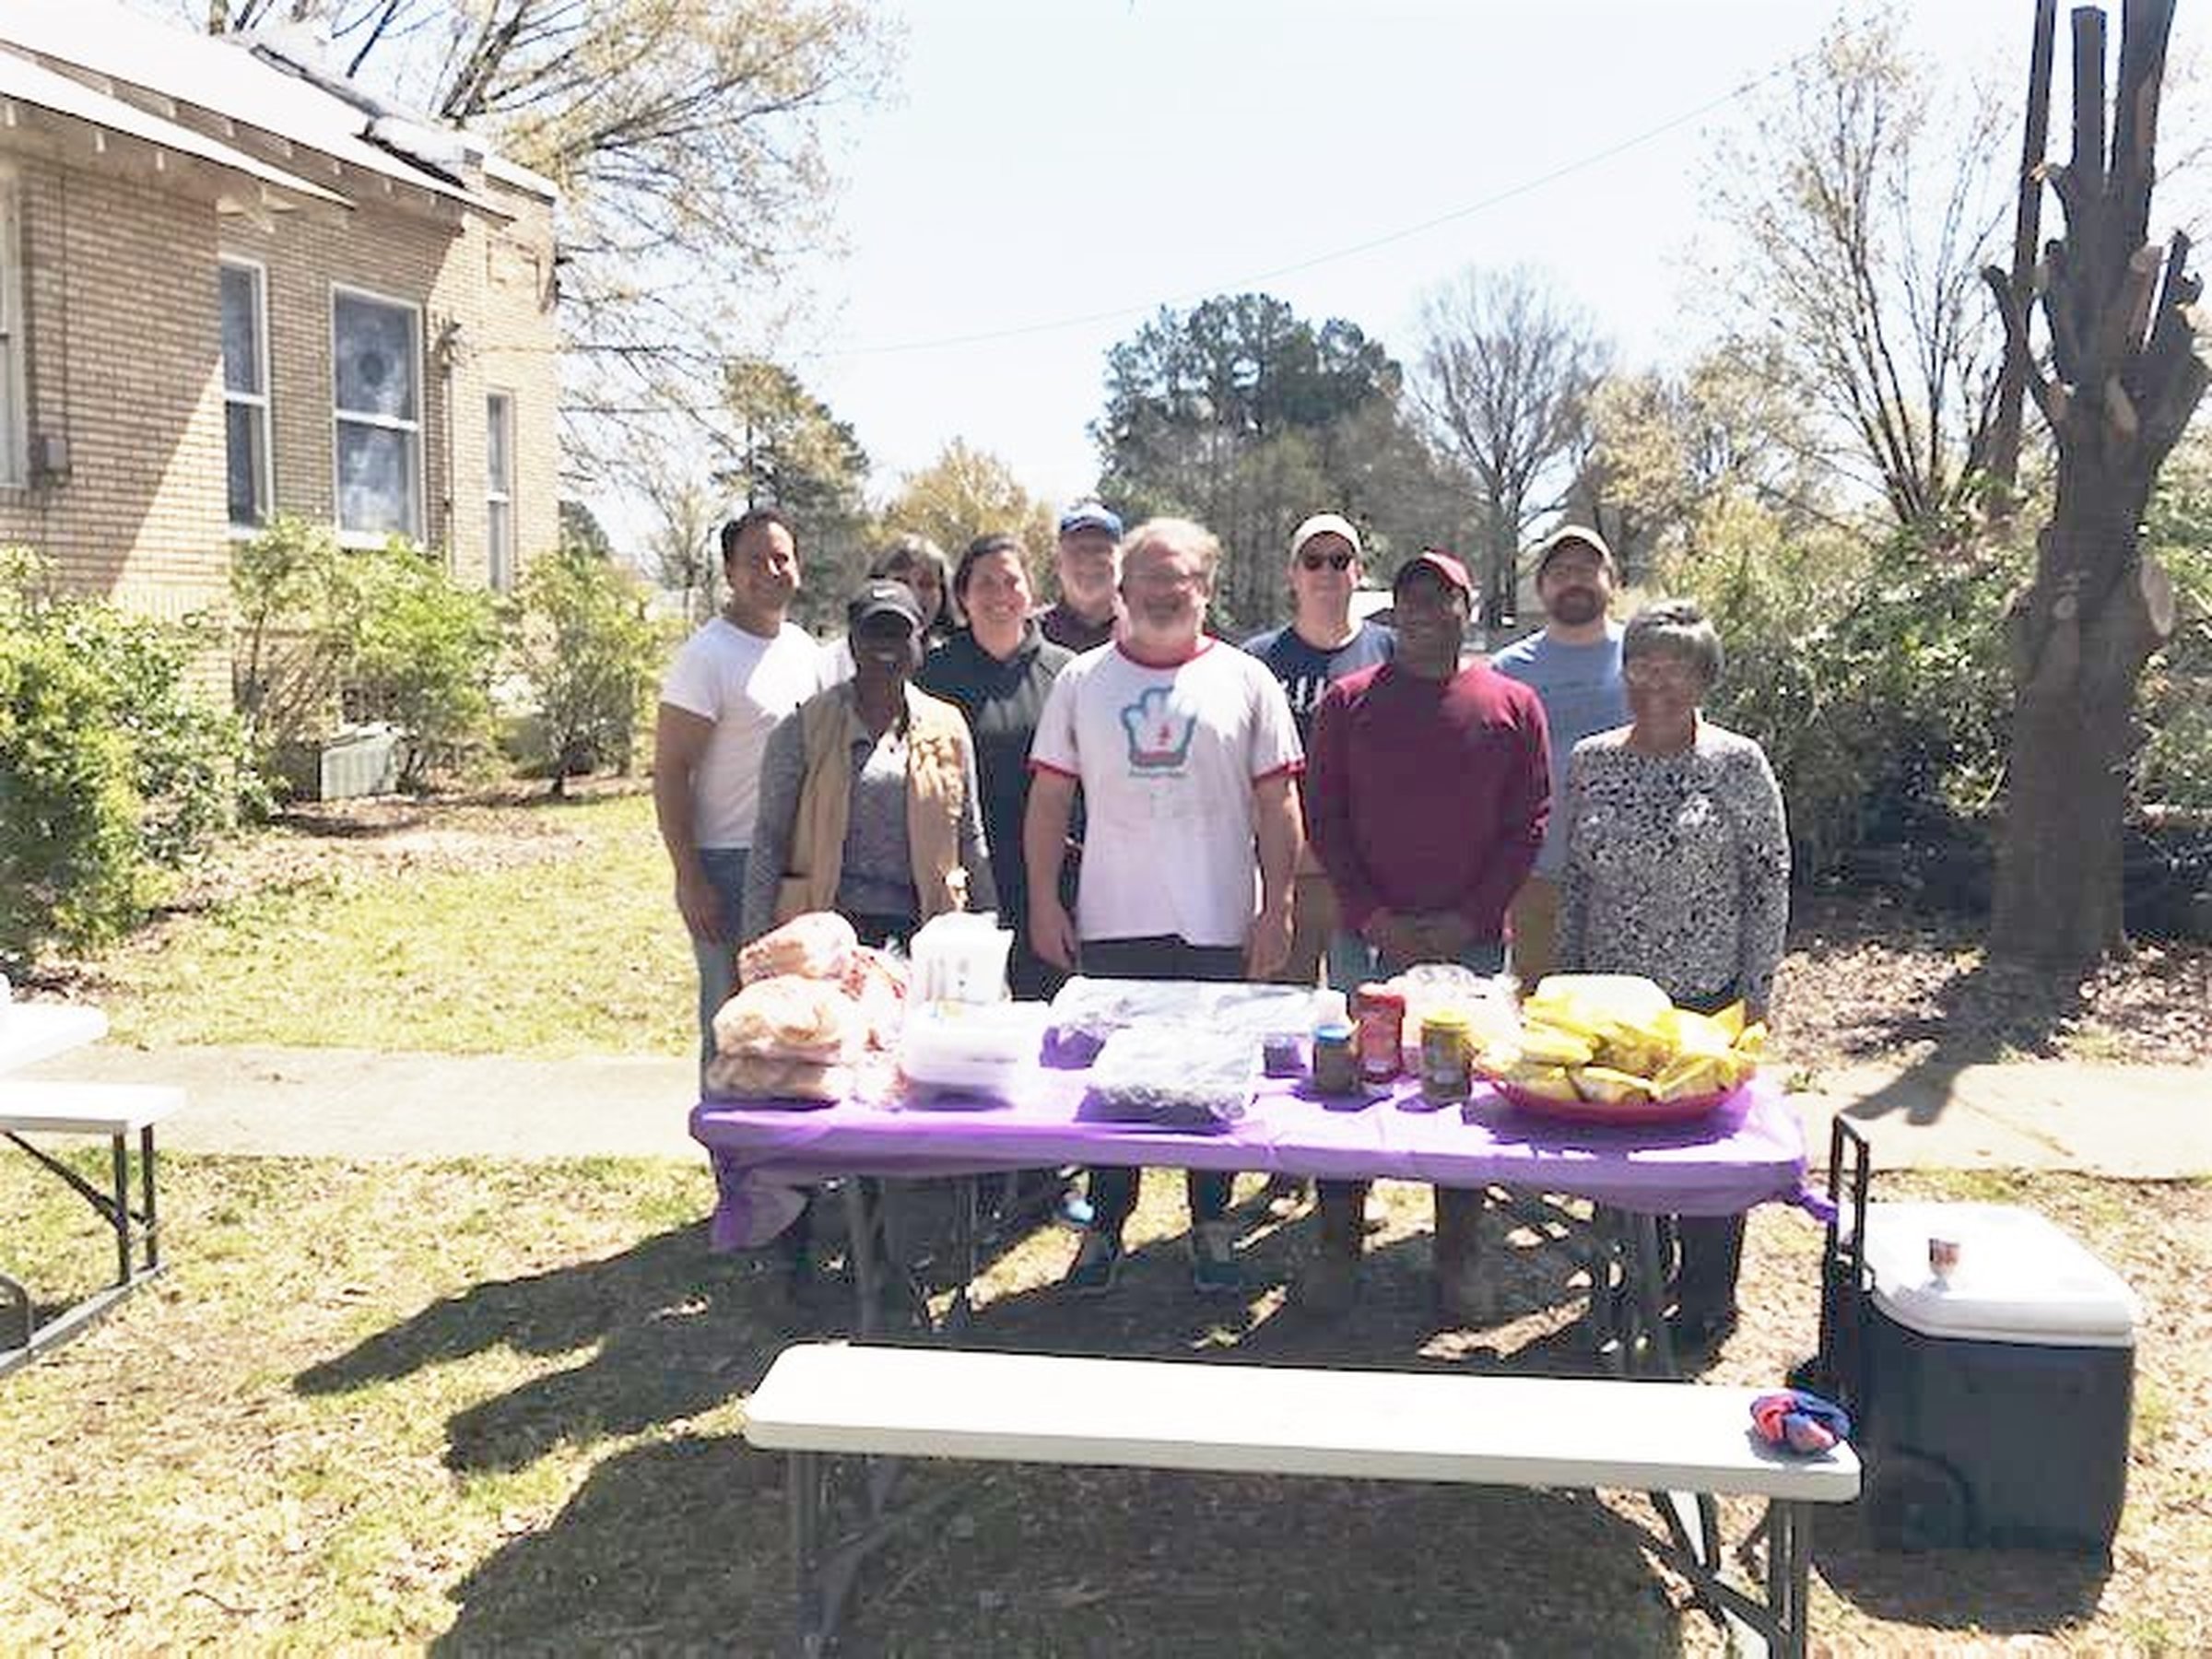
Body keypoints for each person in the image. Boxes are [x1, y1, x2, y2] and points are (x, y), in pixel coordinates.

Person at [1024, 516, 1303, 1296]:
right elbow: (1050, 802)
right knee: (1113, 1082)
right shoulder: (1083, 682)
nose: (1159, 591)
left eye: (1176, 577)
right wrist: (1045, 901)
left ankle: (1210, 1226)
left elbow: (1279, 804)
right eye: (1144, 576)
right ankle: (1104, 1229)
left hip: (1218, 915)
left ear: (1206, 587)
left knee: (1213, 1081)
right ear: (1121, 586)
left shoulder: (1247, 681)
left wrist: (1277, 903)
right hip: (1116, 917)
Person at [1302, 549, 1551, 1318]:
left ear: (1464, 610)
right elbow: (1326, 817)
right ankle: (1338, 1245)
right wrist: (1375, 917)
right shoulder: (1347, 703)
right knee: (1345, 1088)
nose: (1421, 611)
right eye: (1409, 599)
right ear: (1392, 613)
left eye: (1439, 599)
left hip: (1469, 945)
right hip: (1366, 940)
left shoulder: (1511, 703)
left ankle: (1458, 1254)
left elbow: (1528, 822)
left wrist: (1469, 919)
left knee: (1462, 1097)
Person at [1556, 598, 1789, 1355]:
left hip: (1706, 1000)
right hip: (1611, 1005)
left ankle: (1706, 1299)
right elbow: (1578, 885)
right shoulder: (1593, 761)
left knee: (1703, 1167)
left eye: (1677, 669)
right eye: (1643, 665)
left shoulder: (1736, 763)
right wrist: (1562, 990)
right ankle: (1635, 1278)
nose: (1656, 682)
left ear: (1704, 679)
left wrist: (1756, 993)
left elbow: (1768, 879)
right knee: (1622, 1165)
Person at [1240, 511, 1394, 1214]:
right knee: (1288, 1020)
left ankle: (1358, 1156)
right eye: (1315, 561)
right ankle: (1286, 1160)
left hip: (1368, 874)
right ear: (1292, 576)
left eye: (1342, 561)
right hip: (1288, 873)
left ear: (1358, 574)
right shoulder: (1259, 660)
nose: (1329, 574)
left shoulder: (1391, 650)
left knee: (1370, 1022)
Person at [741, 580, 995, 950]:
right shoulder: (804, 728)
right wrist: (756, 946)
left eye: (898, 633)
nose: (886, 645)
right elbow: (769, 841)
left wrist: (988, 931)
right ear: (851, 643)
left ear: (919, 641)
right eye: (873, 632)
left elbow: (970, 838)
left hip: (925, 931)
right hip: (825, 933)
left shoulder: (949, 726)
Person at [653, 507, 824, 1060]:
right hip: (724, 863)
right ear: (729, 572)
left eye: (782, 557)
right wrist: (690, 876)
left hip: (792, 863)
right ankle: (725, 1145)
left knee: (788, 1015)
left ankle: (778, 1144)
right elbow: (672, 771)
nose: (770, 570)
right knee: (730, 1019)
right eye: (754, 560)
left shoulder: (803, 649)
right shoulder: (707, 657)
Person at [917, 534, 1076, 997]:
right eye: (985, 583)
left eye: (1012, 581)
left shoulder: (1068, 674)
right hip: (960, 876)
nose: (1000, 595)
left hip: (1049, 880)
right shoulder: (932, 674)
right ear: (963, 596)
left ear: (1031, 593)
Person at [1491, 525, 1629, 987]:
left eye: (1588, 569)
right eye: (1562, 571)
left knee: (1628, 1026)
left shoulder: (1646, 657)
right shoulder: (1507, 672)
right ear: (1542, 586)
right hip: (1537, 880)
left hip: (1631, 881)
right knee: (1543, 1024)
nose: (1575, 580)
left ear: (1613, 580)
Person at [818, 534, 961, 687]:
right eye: (901, 581)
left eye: (927, 584)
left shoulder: (955, 663)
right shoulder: (836, 661)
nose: (914, 594)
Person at [1037, 500, 1123, 653]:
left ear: (1123, 561)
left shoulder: (1145, 634)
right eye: (1078, 550)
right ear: (1058, 563)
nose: (1089, 560)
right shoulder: (1029, 634)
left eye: (1100, 549)